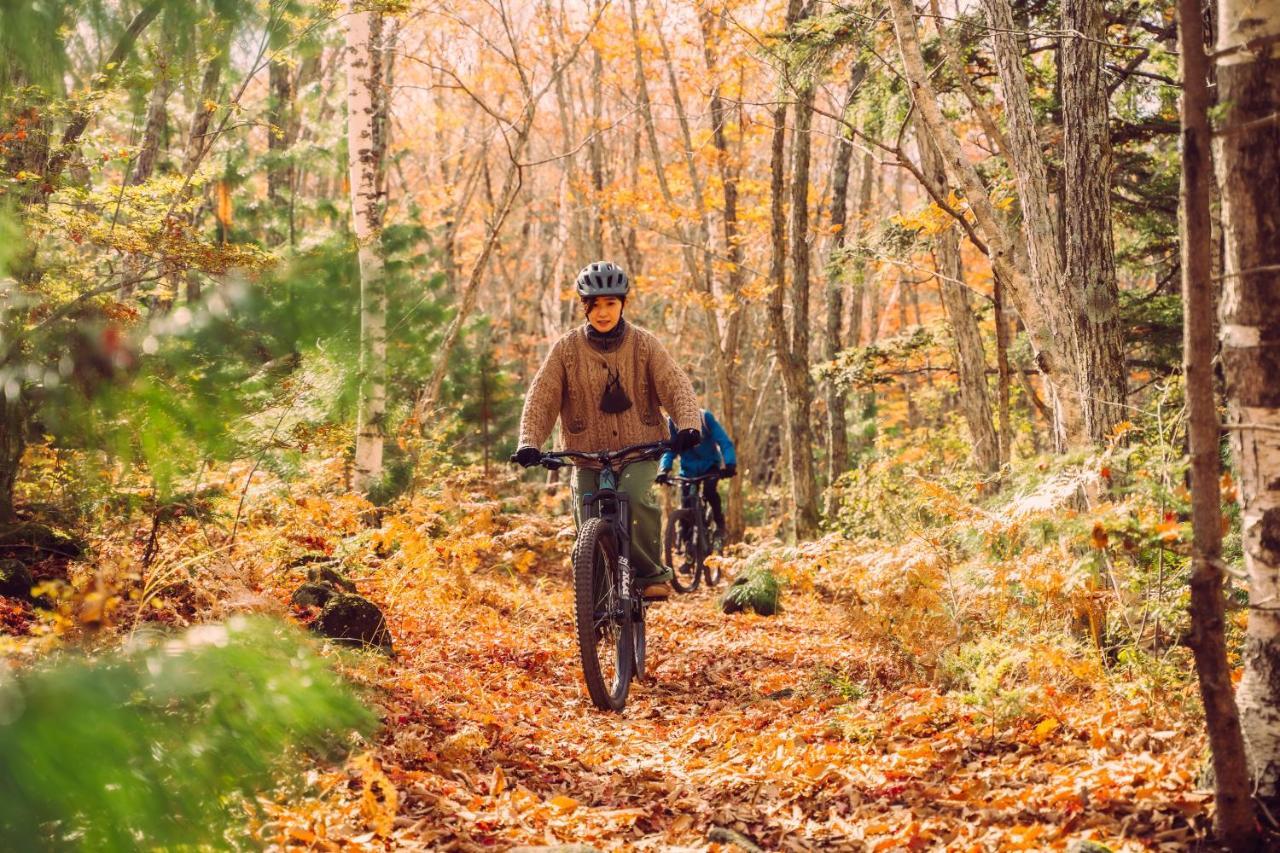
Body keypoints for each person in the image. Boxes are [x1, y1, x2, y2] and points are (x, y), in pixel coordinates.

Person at [513, 261, 702, 600]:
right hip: (585, 454)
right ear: (584, 307)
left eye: (610, 304)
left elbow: (675, 386)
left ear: (622, 304)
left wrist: (688, 424)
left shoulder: (645, 345)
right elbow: (542, 397)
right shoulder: (566, 350)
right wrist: (529, 442)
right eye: (594, 305)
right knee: (584, 510)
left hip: (640, 448)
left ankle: (649, 576)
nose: (603, 312)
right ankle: (594, 597)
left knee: (634, 496)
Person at [656, 409, 736, 540]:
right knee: (686, 500)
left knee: (710, 492)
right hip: (688, 470)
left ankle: (719, 524)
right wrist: (664, 469)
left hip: (710, 466)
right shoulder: (673, 422)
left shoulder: (705, 418)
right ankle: (687, 545)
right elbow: (670, 449)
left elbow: (723, 441)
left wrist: (730, 464)